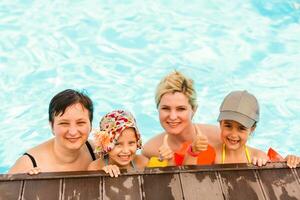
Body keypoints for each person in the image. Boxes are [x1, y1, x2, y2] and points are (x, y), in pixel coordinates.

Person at [8, 89, 96, 174]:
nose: (73, 132)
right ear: (52, 126)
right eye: (64, 123)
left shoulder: (97, 152)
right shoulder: (28, 164)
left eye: (80, 123)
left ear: (90, 125)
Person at [142, 71, 220, 166]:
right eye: (165, 108)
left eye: (181, 109)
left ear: (194, 110)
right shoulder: (150, 150)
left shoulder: (217, 138)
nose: (172, 117)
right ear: (157, 109)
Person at [185, 90, 269, 166]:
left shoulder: (257, 156)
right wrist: (193, 151)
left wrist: (263, 164)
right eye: (228, 126)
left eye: (241, 128)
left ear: (252, 129)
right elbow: (188, 177)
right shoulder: (212, 154)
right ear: (220, 124)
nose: (233, 134)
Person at [87, 110, 148, 177]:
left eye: (131, 143)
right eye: (117, 144)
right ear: (105, 144)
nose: (126, 151)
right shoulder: (95, 168)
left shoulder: (143, 163)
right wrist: (103, 174)